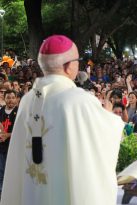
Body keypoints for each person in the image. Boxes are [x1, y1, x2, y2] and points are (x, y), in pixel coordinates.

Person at [1, 35, 124, 205]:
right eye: (77, 60)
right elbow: (104, 143)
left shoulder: (28, 100)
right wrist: (110, 117)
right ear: (68, 66)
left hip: (33, 193)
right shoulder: (79, 101)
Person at [0, 90, 18, 196]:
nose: (10, 100)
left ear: (16, 99)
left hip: (14, 148)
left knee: (12, 171)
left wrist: (8, 135)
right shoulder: (1, 110)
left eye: (12, 97)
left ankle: (12, 193)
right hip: (2, 147)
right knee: (1, 171)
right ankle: (2, 193)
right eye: (8, 97)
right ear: (4, 99)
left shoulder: (20, 112)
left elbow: (23, 130)